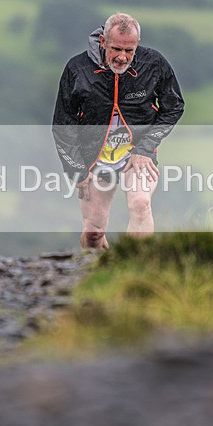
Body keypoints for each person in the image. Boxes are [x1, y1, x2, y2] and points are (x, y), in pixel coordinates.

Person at [52, 13, 185, 249]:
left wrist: (145, 148)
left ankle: (135, 266)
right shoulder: (77, 68)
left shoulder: (154, 64)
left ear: (137, 44)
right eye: (116, 49)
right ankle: (98, 269)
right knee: (93, 232)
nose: (122, 57)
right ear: (103, 41)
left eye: (129, 50)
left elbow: (174, 107)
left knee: (141, 204)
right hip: (94, 159)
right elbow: (63, 124)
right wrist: (76, 169)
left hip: (137, 156)